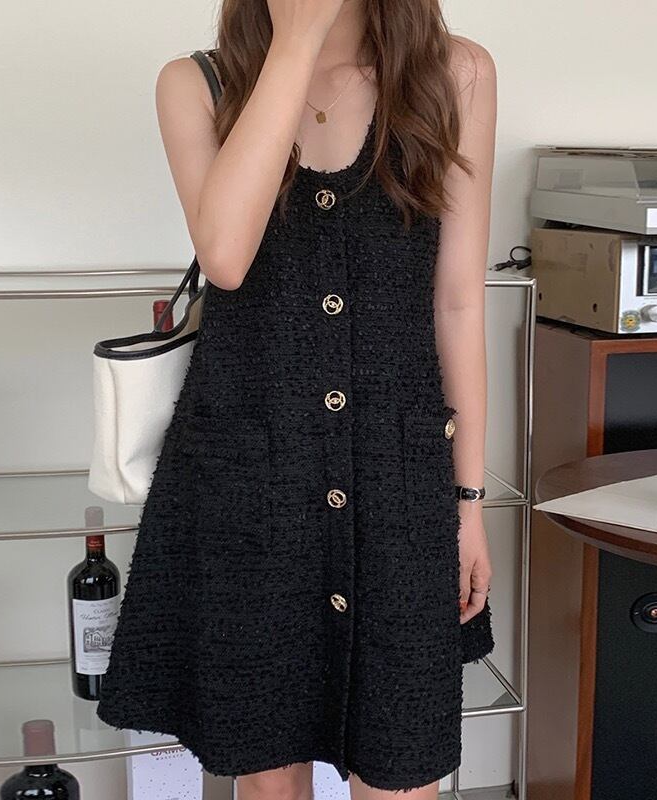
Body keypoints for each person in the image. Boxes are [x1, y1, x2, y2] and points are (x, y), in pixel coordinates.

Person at [96, 1, 497, 797]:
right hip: (250, 485)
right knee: (266, 775)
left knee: (403, 769)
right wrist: (296, 42)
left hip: (398, 484)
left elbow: (456, 303)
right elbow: (226, 257)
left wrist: (469, 502)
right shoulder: (197, 85)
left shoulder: (457, 73)